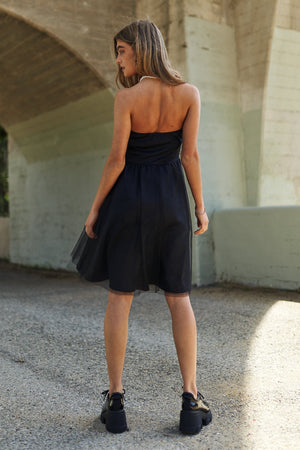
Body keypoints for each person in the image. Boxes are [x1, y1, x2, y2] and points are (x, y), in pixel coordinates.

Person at [71, 19, 212, 435]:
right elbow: (190, 156)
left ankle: (115, 402)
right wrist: (200, 207)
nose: (118, 59)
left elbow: (116, 160)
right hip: (171, 201)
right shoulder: (189, 94)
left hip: (129, 200)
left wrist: (95, 209)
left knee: (120, 297)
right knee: (179, 297)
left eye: (121, 50)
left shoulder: (127, 98)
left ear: (142, 49)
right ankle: (190, 399)